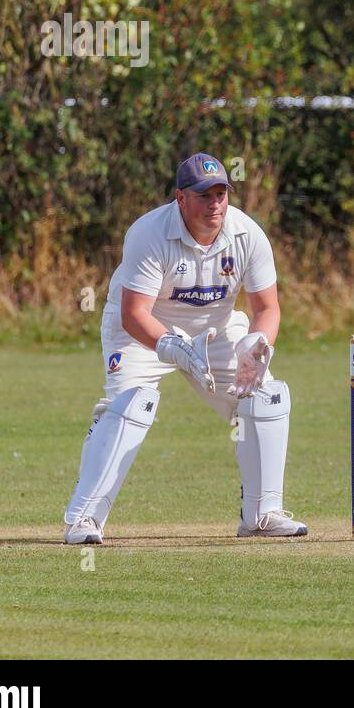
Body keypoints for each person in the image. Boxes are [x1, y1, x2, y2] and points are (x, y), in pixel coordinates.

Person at [62, 153, 305, 543]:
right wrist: (171, 345)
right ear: (181, 198)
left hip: (217, 328)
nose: (215, 204)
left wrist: (256, 346)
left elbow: (267, 308)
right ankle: (83, 519)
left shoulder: (247, 234)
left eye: (221, 193)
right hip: (145, 328)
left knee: (266, 396)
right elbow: (133, 313)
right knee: (132, 405)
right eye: (204, 194)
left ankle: (261, 515)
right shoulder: (149, 233)